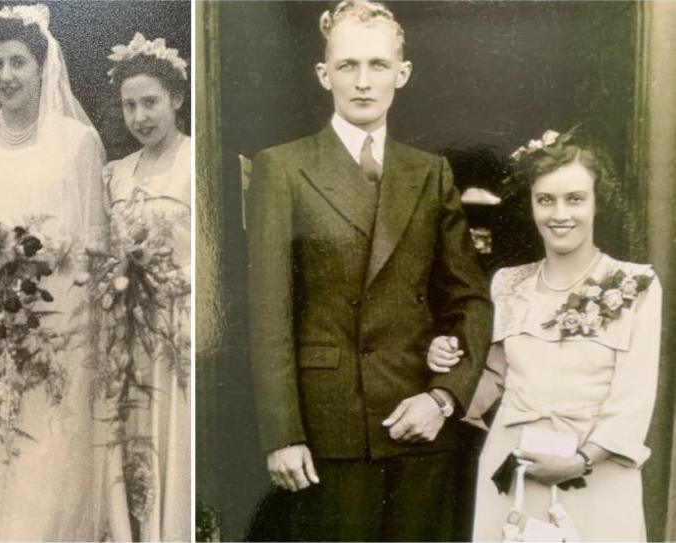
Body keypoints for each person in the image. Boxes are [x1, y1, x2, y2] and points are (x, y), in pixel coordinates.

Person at [245, 1, 492, 540]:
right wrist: (282, 435)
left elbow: (469, 298)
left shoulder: (430, 173)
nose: (362, 82)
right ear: (323, 73)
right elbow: (269, 312)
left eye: (378, 66)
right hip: (326, 433)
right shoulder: (283, 168)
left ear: (401, 75)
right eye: (348, 65)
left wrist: (443, 396)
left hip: (419, 427)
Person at [0, 5, 110, 540]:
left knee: (42, 433)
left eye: (18, 63)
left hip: (55, 316)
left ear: (42, 67)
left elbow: (92, 241)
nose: (6, 76)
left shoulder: (77, 142)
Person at [433, 130, 661, 541]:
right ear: (531, 205)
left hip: (595, 473)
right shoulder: (507, 283)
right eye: (546, 200)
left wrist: (581, 461)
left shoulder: (635, 284)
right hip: (515, 468)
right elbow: (490, 379)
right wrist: (446, 361)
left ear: (596, 202)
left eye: (575, 199)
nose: (560, 214)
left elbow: (635, 397)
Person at [103, 33, 190, 542]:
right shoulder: (115, 174)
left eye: (150, 102)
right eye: (130, 105)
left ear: (176, 98)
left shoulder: (194, 162)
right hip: (128, 328)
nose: (140, 116)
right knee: (132, 438)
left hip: (177, 322)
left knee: (170, 435)